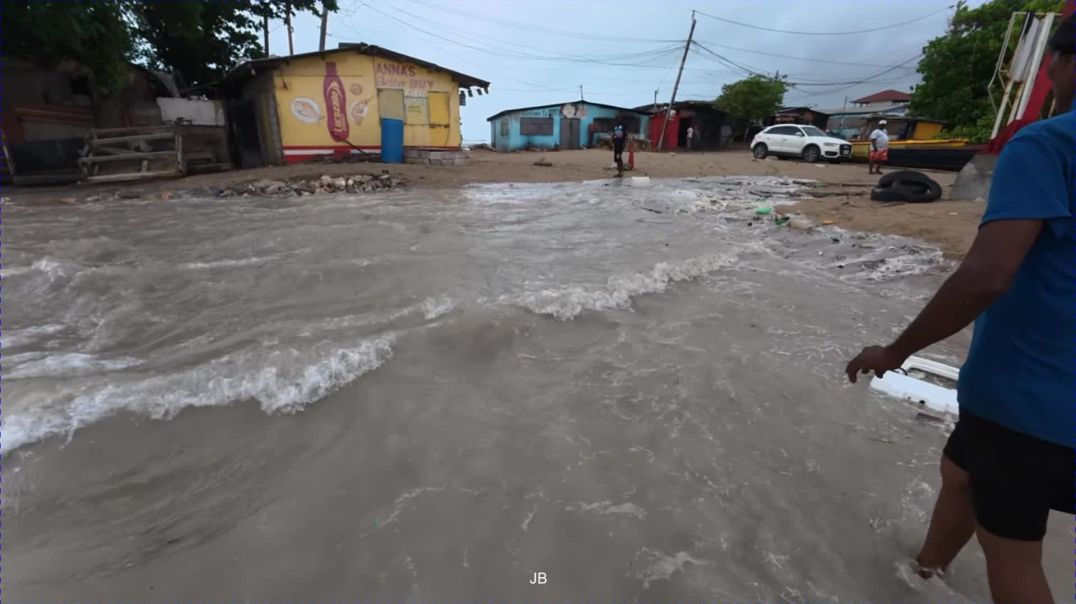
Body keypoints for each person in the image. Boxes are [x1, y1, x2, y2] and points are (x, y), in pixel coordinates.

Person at [846, 14, 1076, 604]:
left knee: (1013, 554)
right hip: (1031, 401)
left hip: (1033, 399)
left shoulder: (1049, 143)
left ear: (1063, 64)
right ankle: (922, 575)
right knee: (961, 473)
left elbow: (986, 275)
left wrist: (897, 351)